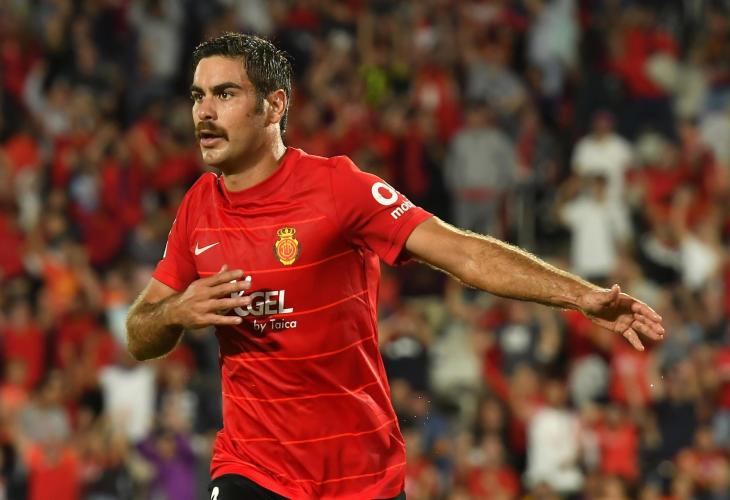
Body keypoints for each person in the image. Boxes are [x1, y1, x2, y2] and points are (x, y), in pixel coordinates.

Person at [125, 32, 665, 500]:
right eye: (197, 96)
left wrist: (581, 295)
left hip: (361, 476)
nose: (204, 112)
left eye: (224, 94)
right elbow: (139, 334)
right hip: (252, 468)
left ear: (273, 106)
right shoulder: (198, 206)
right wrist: (175, 311)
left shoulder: (337, 188)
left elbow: (462, 252)